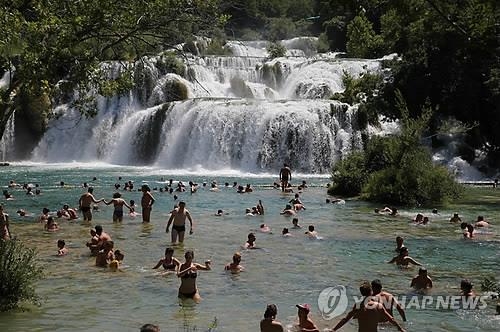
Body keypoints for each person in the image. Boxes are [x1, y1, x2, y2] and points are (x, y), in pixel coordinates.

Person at [330, 281, 406, 332]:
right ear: (371, 291)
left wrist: (334, 329)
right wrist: (400, 329)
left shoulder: (358, 305)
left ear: (361, 293)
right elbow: (391, 319)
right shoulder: (378, 306)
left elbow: (345, 319)